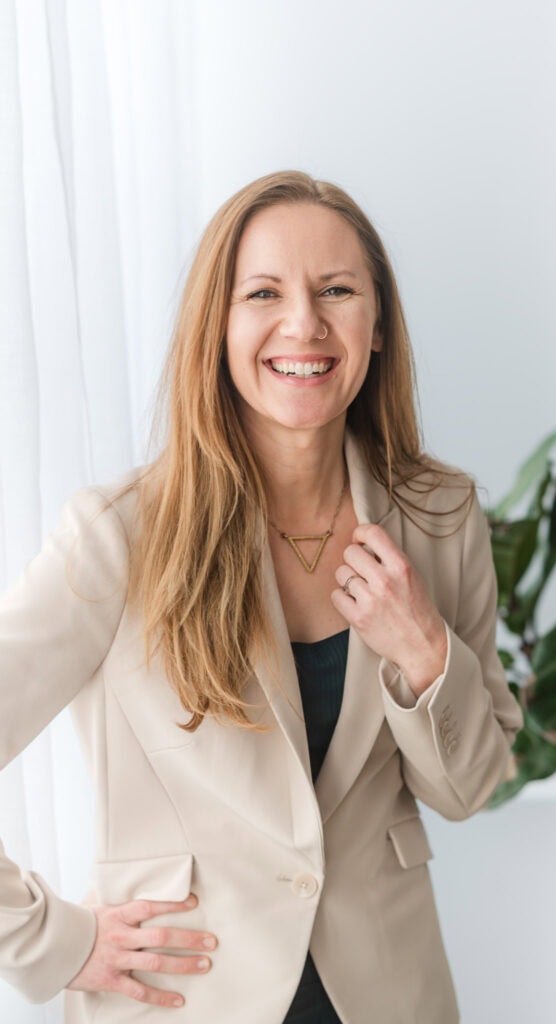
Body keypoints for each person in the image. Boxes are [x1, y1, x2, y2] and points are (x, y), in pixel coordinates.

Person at [0, 170, 522, 1023]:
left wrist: (425, 651)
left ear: (378, 326)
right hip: (180, 996)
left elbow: (470, 789)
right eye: (264, 293)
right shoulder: (117, 536)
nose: (304, 324)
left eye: (336, 290)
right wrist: (54, 942)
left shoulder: (441, 515)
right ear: (218, 325)